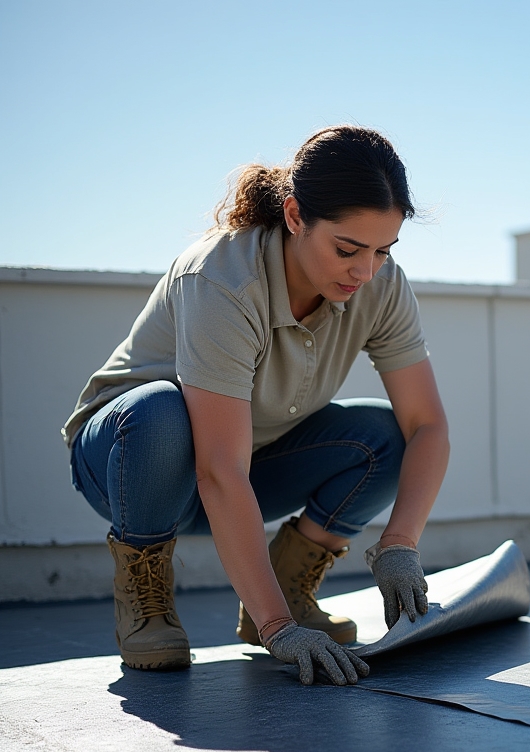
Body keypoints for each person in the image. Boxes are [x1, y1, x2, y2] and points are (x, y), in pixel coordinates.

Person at [63, 126, 450, 685]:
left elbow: (429, 425)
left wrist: (399, 544)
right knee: (161, 413)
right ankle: (146, 593)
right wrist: (278, 631)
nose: (365, 271)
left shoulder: (380, 285)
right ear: (295, 217)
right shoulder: (222, 280)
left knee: (385, 439)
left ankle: (290, 586)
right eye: (347, 249)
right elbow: (218, 468)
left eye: (383, 250)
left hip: (245, 470)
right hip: (130, 466)